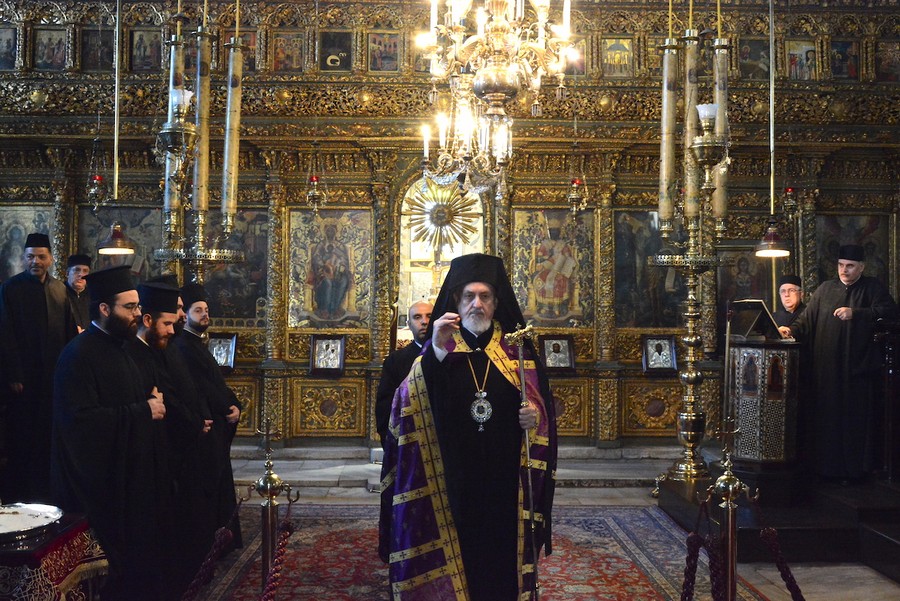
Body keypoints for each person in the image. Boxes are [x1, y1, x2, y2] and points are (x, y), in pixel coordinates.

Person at [378, 253, 557, 600]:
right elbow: (405, 404)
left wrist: (534, 417)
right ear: (457, 301)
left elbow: (541, 409)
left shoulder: (516, 350)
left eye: (485, 296)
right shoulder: (440, 347)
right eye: (469, 296)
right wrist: (437, 349)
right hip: (451, 475)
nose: (477, 304)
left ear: (496, 302)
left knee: (500, 552)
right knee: (457, 545)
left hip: (504, 476)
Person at [51, 265, 171, 600]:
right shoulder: (78, 355)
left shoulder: (120, 348)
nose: (137, 314)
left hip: (128, 479)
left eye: (138, 306)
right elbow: (81, 422)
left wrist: (147, 403)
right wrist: (144, 410)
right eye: (129, 307)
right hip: (98, 487)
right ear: (104, 308)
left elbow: (127, 400)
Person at [780, 244, 899, 482]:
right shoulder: (825, 289)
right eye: (841, 265)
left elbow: (889, 313)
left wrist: (856, 313)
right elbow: (806, 319)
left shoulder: (872, 288)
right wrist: (790, 330)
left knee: (853, 423)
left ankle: (853, 473)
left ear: (861, 267)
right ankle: (825, 470)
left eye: (850, 266)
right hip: (827, 370)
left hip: (857, 371)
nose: (844, 270)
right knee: (827, 420)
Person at [0, 232, 75, 502]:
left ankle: (45, 497)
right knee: (21, 438)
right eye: (30, 256)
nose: (36, 261)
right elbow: (5, 334)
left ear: (51, 259)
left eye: (41, 257)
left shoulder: (60, 290)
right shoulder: (11, 289)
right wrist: (14, 374)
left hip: (52, 378)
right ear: (24, 258)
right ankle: (17, 497)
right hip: (23, 380)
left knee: (47, 437)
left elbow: (69, 333)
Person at [173, 282, 243, 550]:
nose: (204, 315)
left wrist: (233, 404)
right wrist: (228, 408)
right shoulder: (183, 346)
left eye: (206, 310)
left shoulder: (197, 344)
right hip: (207, 426)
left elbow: (217, 384)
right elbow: (203, 387)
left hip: (216, 423)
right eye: (198, 310)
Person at [374, 300, 433, 449]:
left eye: (429, 316)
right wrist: (389, 443)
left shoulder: (450, 356)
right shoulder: (396, 360)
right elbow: (384, 404)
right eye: (417, 317)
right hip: (407, 439)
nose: (424, 321)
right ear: (409, 324)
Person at [65, 253, 91, 332]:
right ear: (67, 273)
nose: (81, 274)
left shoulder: (93, 295)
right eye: (77, 270)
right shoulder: (58, 293)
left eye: (85, 271)